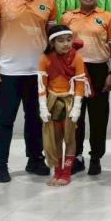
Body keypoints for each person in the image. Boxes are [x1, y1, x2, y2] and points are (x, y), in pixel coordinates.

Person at [0, 0, 57, 183]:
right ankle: (0, 164)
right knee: (4, 120)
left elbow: (52, 38)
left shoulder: (48, 1)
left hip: (38, 73)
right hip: (8, 73)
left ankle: (35, 160)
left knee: (36, 119)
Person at [62, 0, 111, 176]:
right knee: (75, 116)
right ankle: (76, 156)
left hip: (99, 71)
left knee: (98, 117)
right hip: (74, 72)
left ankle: (96, 157)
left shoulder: (107, 17)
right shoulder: (67, 17)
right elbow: (60, 45)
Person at [37, 25, 87, 186]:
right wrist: (43, 107)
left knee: (70, 138)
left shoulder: (77, 57)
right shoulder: (44, 59)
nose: (66, 44)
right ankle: (57, 171)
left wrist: (77, 107)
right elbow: (42, 85)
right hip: (53, 102)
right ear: (52, 43)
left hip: (70, 101)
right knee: (56, 138)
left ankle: (66, 173)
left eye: (69, 40)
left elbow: (80, 84)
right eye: (61, 41)